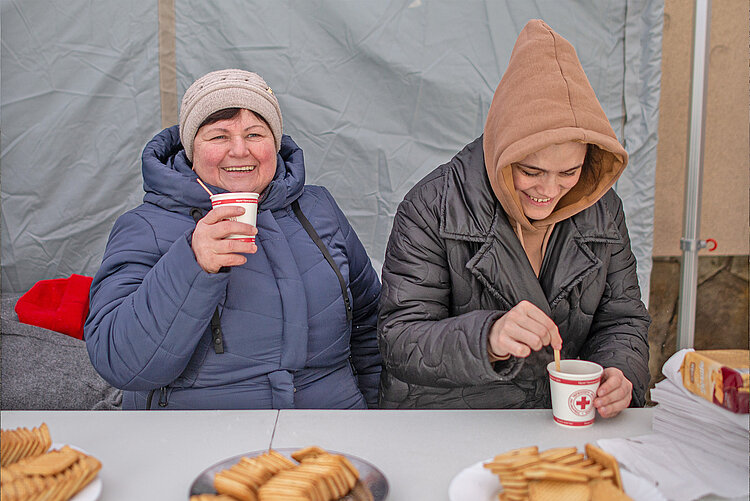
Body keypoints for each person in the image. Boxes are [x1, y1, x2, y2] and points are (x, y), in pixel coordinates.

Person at [377, 20, 650, 415]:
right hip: (448, 423)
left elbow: (623, 319)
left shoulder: (603, 209)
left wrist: (621, 372)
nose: (550, 191)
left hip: (561, 420)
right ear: (501, 148)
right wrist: (488, 337)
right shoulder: (431, 206)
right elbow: (400, 340)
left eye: (569, 173)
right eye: (532, 171)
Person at [85, 69, 382, 410]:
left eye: (255, 134)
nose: (240, 151)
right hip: (201, 437)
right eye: (218, 136)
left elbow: (370, 324)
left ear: (275, 142)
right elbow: (119, 362)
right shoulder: (145, 226)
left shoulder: (318, 209)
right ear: (190, 149)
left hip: (329, 433)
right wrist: (192, 265)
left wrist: (372, 416)